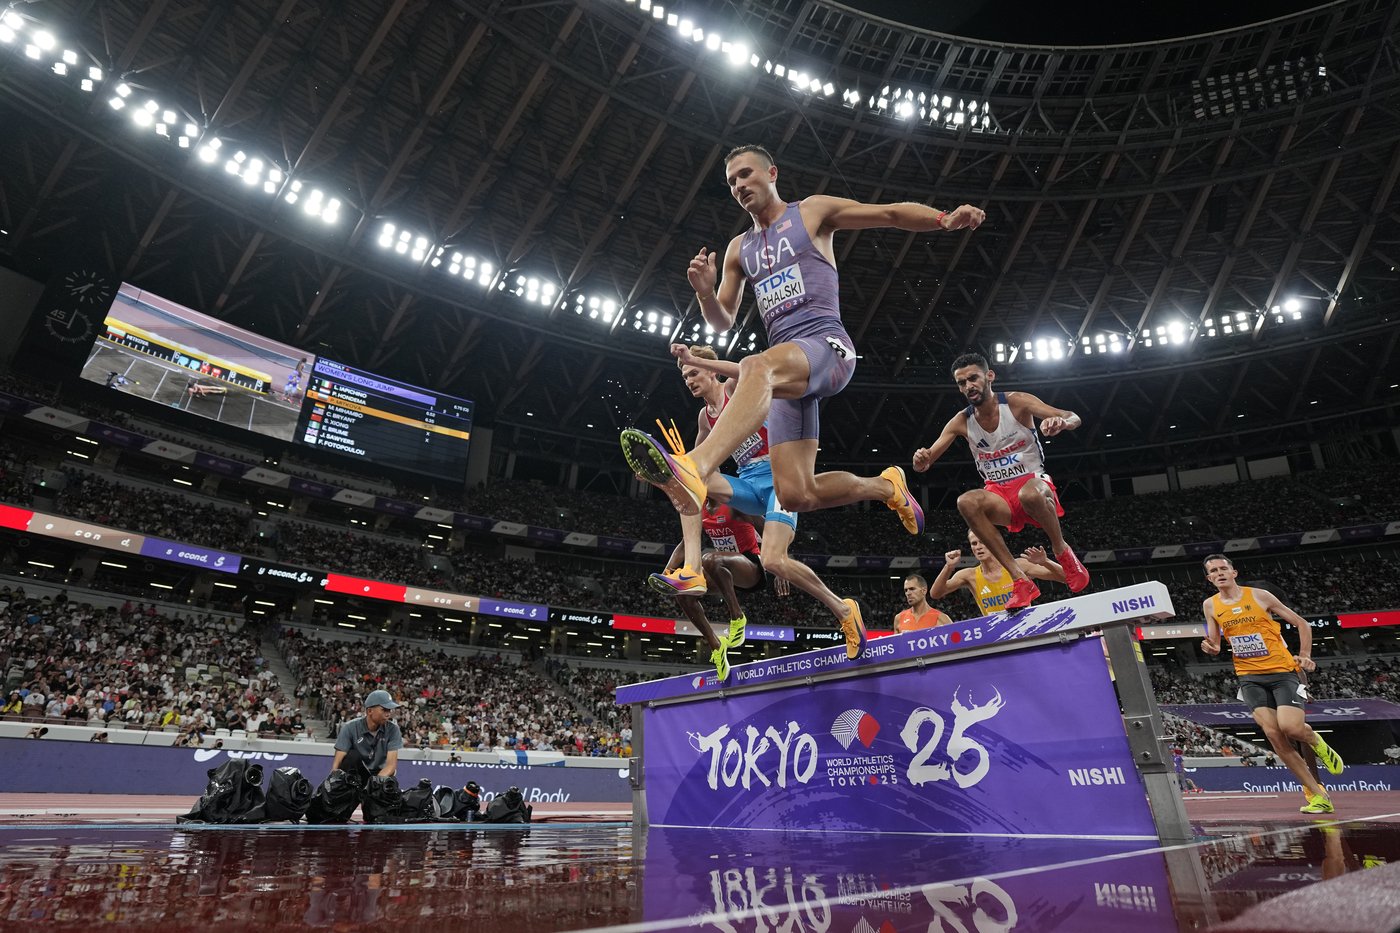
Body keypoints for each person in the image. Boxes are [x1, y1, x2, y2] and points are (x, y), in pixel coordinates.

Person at [624, 144, 985, 561]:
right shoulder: (739, 249)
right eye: (731, 182)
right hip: (785, 374)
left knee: (754, 364)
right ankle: (886, 487)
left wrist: (943, 219)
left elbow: (886, 213)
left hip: (828, 347)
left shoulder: (811, 212)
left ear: (772, 173)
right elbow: (722, 319)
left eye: (745, 174)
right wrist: (705, 293)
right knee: (796, 494)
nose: (739, 186)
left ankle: (697, 464)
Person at [630, 345, 868, 660]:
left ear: (711, 371)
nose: (688, 379)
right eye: (685, 375)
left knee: (774, 561)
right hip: (750, 482)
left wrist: (694, 357)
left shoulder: (733, 387)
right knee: (691, 478)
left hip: (781, 474)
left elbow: (754, 369)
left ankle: (843, 609)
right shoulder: (705, 417)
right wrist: (661, 474)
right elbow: (694, 463)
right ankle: (692, 569)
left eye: (694, 373)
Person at [912, 352, 1090, 609]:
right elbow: (926, 462)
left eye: (973, 378)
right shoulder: (961, 421)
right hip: (999, 496)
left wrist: (1060, 422)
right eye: (962, 383)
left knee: (1029, 494)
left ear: (989, 376)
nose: (968, 386)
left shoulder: (1017, 402)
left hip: (1033, 484)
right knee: (966, 502)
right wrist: (921, 460)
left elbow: (1073, 416)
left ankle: (1063, 552)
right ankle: (1020, 580)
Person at [1198, 554, 1344, 814]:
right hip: (1248, 676)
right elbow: (1216, 644)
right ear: (1209, 578)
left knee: (1291, 728)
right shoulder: (1210, 605)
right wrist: (1210, 648)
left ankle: (1316, 741)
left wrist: (1306, 656)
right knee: (1275, 737)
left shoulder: (1259, 596)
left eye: (1223, 568)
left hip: (1282, 671)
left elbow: (1301, 623)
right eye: (1214, 571)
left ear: (1234, 572)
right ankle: (1316, 795)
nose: (1219, 573)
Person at [930, 530, 1067, 616]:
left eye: (982, 542)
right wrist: (948, 567)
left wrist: (1045, 561)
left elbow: (1066, 578)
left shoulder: (1018, 566)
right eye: (974, 543)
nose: (978, 547)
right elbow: (936, 594)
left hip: (1026, 632)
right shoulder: (969, 575)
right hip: (997, 637)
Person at [330, 689, 403, 782]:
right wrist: (334, 780)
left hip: (380, 774)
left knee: (391, 784)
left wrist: (374, 784)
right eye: (384, 709)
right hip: (355, 775)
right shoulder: (349, 728)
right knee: (352, 756)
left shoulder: (393, 729)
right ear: (369, 711)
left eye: (389, 710)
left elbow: (391, 766)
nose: (388, 714)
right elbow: (337, 765)